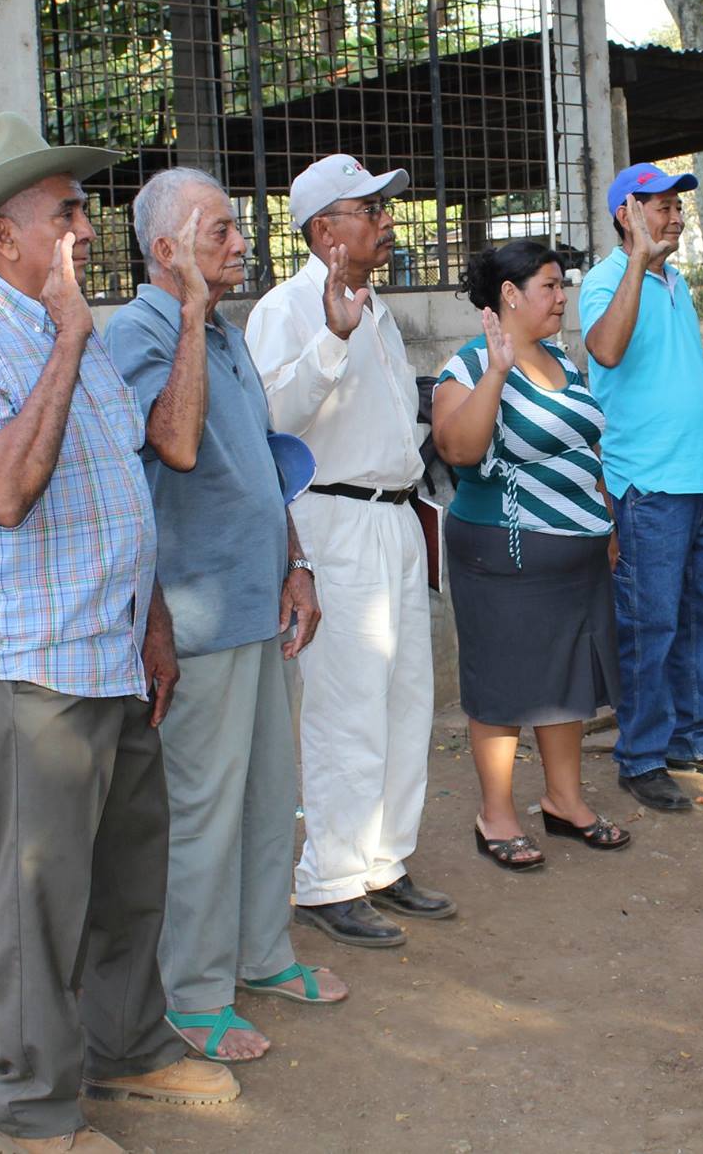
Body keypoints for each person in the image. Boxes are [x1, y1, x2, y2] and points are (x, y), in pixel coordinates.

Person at [0, 114, 236, 1153]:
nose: (85, 230)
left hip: (109, 648)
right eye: (65, 214)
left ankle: (128, 1048)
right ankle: (34, 1115)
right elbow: (7, 489)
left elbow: (114, 487)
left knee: (127, 873)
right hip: (35, 667)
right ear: (4, 239)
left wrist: (150, 623)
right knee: (42, 902)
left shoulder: (76, 331)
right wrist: (63, 336)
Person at [102, 168, 347, 1067]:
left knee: (264, 800)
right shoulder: (138, 333)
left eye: (238, 229)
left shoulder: (230, 336)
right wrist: (195, 321)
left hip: (258, 602)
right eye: (220, 233)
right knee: (200, 812)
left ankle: (261, 953)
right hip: (195, 620)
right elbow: (165, 444)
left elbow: (257, 466)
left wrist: (297, 562)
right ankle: (193, 995)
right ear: (165, 252)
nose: (242, 244)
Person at [246, 153, 455, 950]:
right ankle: (330, 877)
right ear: (323, 227)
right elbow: (268, 419)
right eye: (370, 209)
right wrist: (329, 340)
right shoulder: (287, 307)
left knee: (406, 697)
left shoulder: (377, 307)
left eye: (383, 208)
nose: (386, 221)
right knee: (344, 706)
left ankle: (384, 860)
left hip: (395, 518)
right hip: (333, 523)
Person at [431, 241, 632, 867]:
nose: (562, 296)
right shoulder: (466, 365)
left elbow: (582, 448)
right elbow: (459, 450)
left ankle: (564, 803)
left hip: (577, 552)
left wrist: (605, 522)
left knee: (566, 680)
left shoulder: (563, 361)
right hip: (504, 555)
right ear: (510, 294)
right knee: (504, 685)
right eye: (550, 285)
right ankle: (495, 815)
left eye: (563, 284)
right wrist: (496, 370)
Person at [580, 162, 703, 812]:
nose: (675, 217)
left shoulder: (676, 282)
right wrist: (636, 260)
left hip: (702, 474)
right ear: (625, 216)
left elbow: (687, 371)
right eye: (658, 207)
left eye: (676, 207)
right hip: (648, 484)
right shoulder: (606, 280)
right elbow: (606, 350)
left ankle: (696, 736)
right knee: (651, 624)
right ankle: (641, 756)